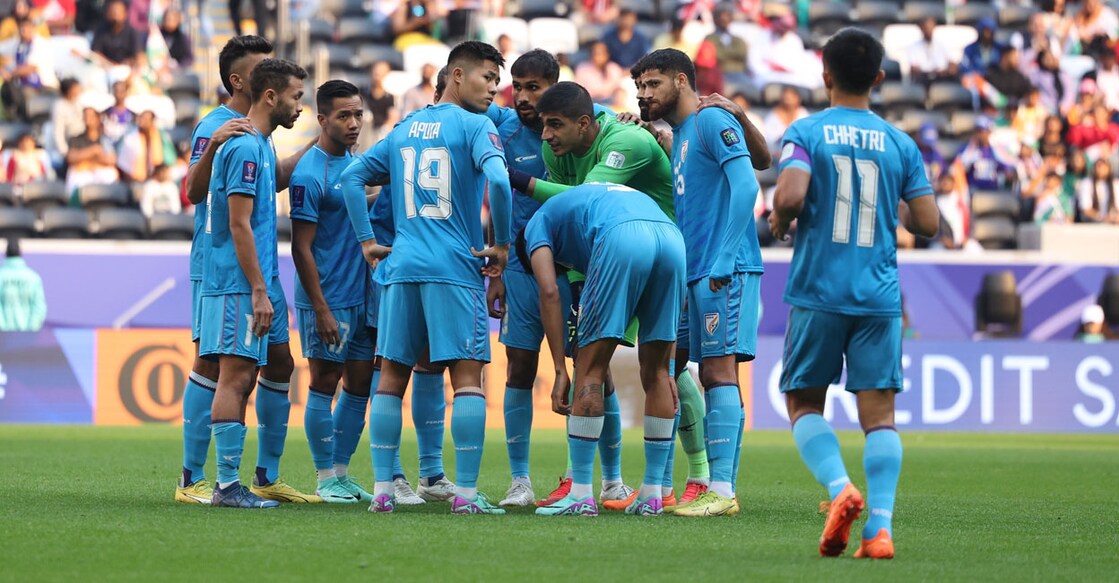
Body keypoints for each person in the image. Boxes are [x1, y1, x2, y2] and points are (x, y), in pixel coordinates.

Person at [769, 28, 940, 560]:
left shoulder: (807, 130)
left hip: (820, 291)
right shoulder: (900, 143)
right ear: (880, 80)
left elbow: (792, 194)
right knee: (880, 417)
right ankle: (881, 531)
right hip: (878, 297)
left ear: (825, 77)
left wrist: (779, 216)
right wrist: (897, 199)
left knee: (802, 403)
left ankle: (841, 488)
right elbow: (929, 223)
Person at [339, 40, 513, 515]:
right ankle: (467, 496)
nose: (493, 90)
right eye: (486, 78)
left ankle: (381, 490)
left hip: (401, 269)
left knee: (392, 379)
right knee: (468, 381)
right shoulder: (476, 127)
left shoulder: (405, 128)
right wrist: (500, 245)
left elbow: (353, 178)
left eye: (497, 82)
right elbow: (498, 181)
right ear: (456, 75)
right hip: (453, 269)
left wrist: (366, 241)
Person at [175, 35, 316, 506]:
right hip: (226, 267)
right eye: (263, 69)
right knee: (218, 366)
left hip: (256, 267)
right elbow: (201, 196)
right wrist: (255, 285)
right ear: (251, 84)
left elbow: (264, 186)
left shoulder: (257, 139)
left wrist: (317, 148)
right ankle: (199, 478)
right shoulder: (222, 131)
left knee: (278, 362)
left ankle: (263, 475)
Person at [631, 47, 762, 517]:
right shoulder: (683, 133)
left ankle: (721, 492)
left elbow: (748, 184)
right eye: (640, 86)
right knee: (666, 368)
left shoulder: (710, 121)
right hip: (691, 272)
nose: (645, 94)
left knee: (716, 372)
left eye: (653, 84)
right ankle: (659, 487)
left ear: (682, 81)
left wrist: (726, 257)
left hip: (721, 267)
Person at [518, 183, 686, 516]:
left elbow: (550, 292)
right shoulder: (583, 203)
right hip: (671, 238)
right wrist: (668, 370)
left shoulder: (536, 225)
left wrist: (557, 369)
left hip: (622, 237)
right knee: (656, 373)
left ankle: (580, 493)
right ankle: (652, 493)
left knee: (590, 366)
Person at [481, 50, 574, 508]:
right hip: (518, 270)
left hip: (572, 267)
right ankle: (520, 481)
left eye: (532, 87)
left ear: (554, 85)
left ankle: (604, 479)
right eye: (516, 86)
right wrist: (496, 271)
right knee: (519, 367)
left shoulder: (580, 125)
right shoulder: (501, 128)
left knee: (593, 370)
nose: (521, 96)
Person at [288, 80, 382, 504]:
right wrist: (321, 308)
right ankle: (324, 476)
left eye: (358, 114)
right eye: (343, 115)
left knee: (360, 384)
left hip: (364, 295)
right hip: (327, 298)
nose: (353, 123)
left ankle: (342, 473)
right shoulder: (310, 173)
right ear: (322, 119)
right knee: (324, 382)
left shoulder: (358, 165)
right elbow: (300, 246)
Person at [64, 107, 119, 200]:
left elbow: (112, 159)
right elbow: (71, 158)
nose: (88, 119)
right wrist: (94, 151)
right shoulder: (76, 139)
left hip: (100, 172)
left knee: (111, 175)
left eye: (91, 116)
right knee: (74, 177)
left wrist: (86, 159)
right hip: (81, 173)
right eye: (86, 116)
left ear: (97, 118)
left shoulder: (105, 139)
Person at [0, 238, 46, 332]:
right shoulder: (33, 278)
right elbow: (39, 308)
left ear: (6, 254)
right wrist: (30, 331)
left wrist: (3, 330)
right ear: (21, 253)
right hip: (27, 339)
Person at [908, 16, 957, 85]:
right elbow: (913, 69)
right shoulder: (914, 47)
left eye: (930, 27)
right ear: (921, 28)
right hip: (923, 79)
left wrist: (947, 71)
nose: (928, 30)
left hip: (941, 78)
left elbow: (952, 65)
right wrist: (930, 72)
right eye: (926, 28)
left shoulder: (942, 45)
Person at [574, 41, 625, 106]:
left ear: (607, 55)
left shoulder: (614, 69)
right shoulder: (582, 68)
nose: (597, 57)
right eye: (595, 53)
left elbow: (619, 89)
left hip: (611, 104)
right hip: (590, 104)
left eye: (600, 54)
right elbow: (579, 92)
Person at [1077, 158, 1119, 223]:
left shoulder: (1115, 184)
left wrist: (1115, 217)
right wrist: (1102, 218)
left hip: (1112, 222)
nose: (1101, 169)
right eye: (1099, 166)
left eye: (1104, 167)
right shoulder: (1086, 183)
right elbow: (1085, 209)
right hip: (1091, 222)